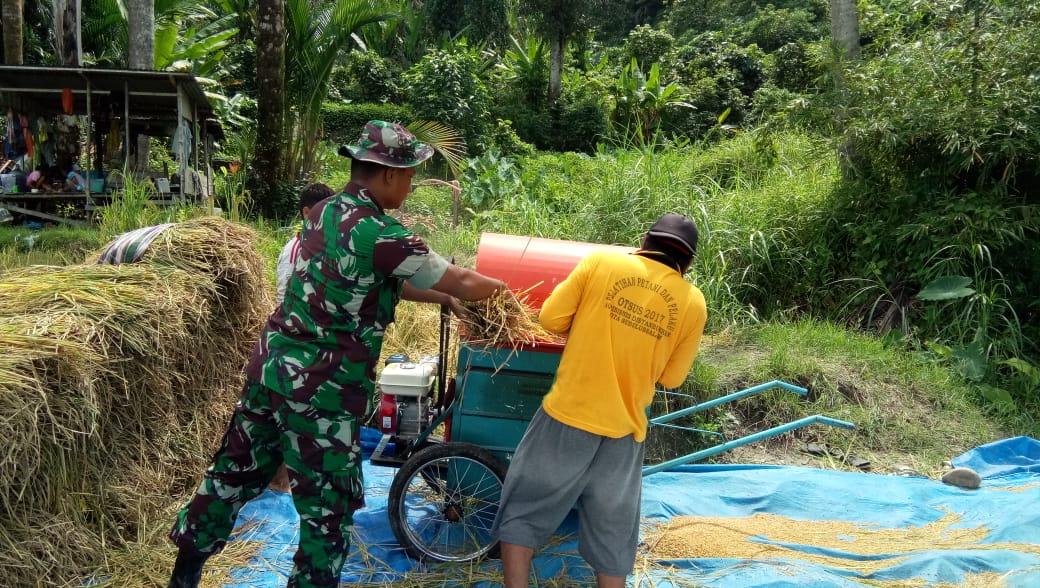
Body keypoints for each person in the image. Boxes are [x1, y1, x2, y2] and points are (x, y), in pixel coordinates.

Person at [167, 120, 505, 588]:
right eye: (409, 176)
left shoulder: (324, 211)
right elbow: (464, 280)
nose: (410, 186)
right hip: (321, 390)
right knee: (328, 511)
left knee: (232, 475)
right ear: (387, 174)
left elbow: (370, 278)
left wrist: (441, 298)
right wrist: (507, 291)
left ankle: (183, 575)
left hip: (272, 370)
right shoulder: (383, 234)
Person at [492, 213, 708, 588]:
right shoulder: (693, 302)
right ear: (686, 263)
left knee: (524, 512)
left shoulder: (602, 262)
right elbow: (672, 378)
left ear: (644, 241)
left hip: (566, 417)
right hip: (623, 433)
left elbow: (550, 318)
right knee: (613, 534)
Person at [265, 182, 336, 493]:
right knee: (290, 412)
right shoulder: (295, 249)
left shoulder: (320, 244)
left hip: (311, 338)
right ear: (307, 213)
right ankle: (279, 480)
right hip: (293, 339)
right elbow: (285, 297)